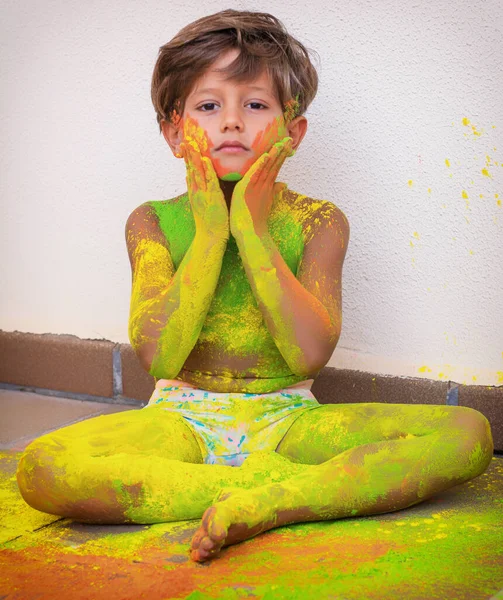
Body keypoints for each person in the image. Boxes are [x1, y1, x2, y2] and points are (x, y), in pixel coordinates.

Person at [16, 9, 493, 563]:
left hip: (287, 419)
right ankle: (254, 494)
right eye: (210, 105)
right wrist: (212, 231)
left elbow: (309, 355)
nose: (233, 122)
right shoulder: (151, 222)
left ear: (292, 133)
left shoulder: (319, 222)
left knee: (467, 431)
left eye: (256, 104)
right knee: (43, 469)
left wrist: (253, 230)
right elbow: (160, 356)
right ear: (175, 131)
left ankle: (280, 500)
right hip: (180, 419)